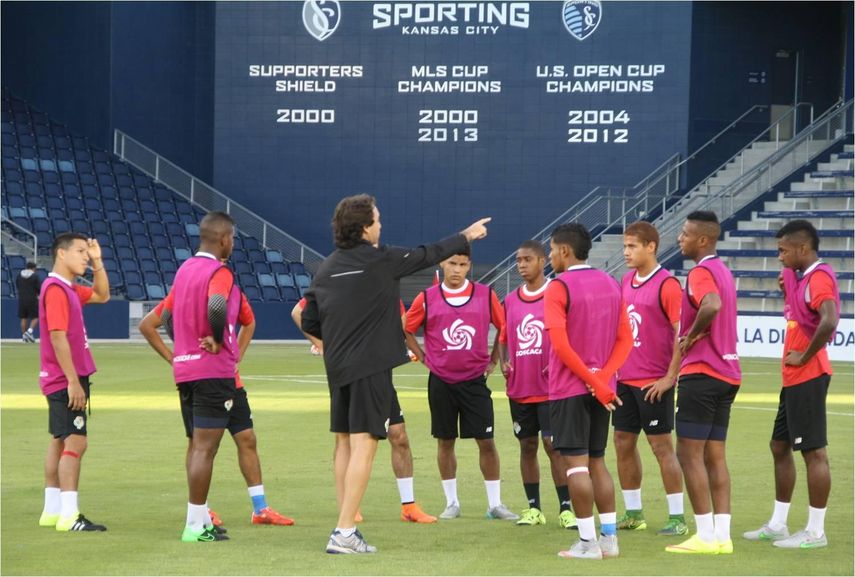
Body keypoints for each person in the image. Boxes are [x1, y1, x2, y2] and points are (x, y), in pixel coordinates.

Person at [301, 194, 490, 554]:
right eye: (377, 219)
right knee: (365, 443)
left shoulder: (327, 267)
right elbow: (428, 253)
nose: (381, 224)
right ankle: (344, 532)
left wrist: (342, 337)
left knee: (343, 441)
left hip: (338, 367)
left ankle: (345, 521)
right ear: (364, 227)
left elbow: (310, 319)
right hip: (370, 366)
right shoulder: (379, 260)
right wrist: (466, 235)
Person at [140, 279, 295, 531]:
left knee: (247, 438)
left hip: (229, 381)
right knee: (199, 444)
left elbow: (250, 322)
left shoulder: (231, 290)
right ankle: (202, 510)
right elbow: (148, 325)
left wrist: (237, 357)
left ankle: (260, 508)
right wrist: (175, 359)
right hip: (201, 379)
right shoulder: (188, 291)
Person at [291, 298, 437, 524]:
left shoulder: (385, 287)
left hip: (380, 377)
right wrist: (322, 344)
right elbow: (298, 312)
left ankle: (408, 506)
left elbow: (399, 326)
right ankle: (350, 507)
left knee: (399, 436)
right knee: (349, 439)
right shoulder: (340, 281)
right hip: (349, 375)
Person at [743, 220, 840, 549]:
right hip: (793, 378)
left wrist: (806, 355)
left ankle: (816, 532)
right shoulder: (797, 277)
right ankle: (778, 524)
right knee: (779, 446)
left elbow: (829, 319)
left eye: (784, 250)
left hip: (809, 376)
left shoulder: (819, 277)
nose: (779, 256)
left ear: (803, 249)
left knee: (814, 453)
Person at [405, 246, 518, 523]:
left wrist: (494, 360)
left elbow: (504, 327)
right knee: (445, 441)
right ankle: (452, 502)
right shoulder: (427, 298)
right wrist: (422, 357)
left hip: (474, 382)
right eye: (452, 263)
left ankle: (495, 504)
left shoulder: (485, 294)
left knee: (487, 441)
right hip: (441, 381)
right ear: (443, 264)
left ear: (469, 266)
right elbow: (406, 328)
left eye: (463, 264)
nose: (457, 269)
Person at [544, 223, 632, 560]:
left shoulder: (559, 286)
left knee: (576, 467)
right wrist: (602, 379)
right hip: (603, 392)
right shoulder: (611, 282)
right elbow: (626, 340)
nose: (550, 256)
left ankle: (587, 542)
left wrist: (590, 380)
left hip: (569, 389)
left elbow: (561, 346)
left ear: (565, 251)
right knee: (598, 461)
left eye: (552, 250)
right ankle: (609, 540)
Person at [665, 211, 741, 555]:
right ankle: (722, 536)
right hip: (728, 373)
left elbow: (711, 305)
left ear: (703, 240)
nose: (680, 238)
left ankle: (704, 534)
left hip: (703, 372)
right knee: (715, 455)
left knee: (688, 453)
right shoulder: (723, 271)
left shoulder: (699, 272)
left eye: (685, 233)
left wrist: (691, 336)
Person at [168, 211, 242, 543]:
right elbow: (216, 304)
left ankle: (200, 520)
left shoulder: (183, 270)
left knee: (198, 447)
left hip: (185, 368)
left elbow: (168, 315)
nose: (233, 244)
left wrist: (183, 344)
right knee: (205, 450)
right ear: (224, 239)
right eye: (233, 239)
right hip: (212, 371)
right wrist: (216, 337)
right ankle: (195, 525)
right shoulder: (219, 270)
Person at [496, 240, 577, 529]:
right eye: (518, 260)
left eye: (527, 259)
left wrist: (558, 360)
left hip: (551, 388)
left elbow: (570, 333)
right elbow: (504, 336)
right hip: (520, 386)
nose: (521, 265)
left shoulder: (557, 292)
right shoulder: (511, 300)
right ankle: (534, 509)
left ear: (542, 260)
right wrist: (504, 361)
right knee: (527, 445)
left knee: (553, 445)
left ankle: (566, 508)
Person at [613, 222, 687, 536]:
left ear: (651, 246)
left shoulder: (668, 284)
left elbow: (680, 334)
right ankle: (634, 513)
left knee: (661, 447)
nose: (626, 252)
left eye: (632, 246)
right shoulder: (626, 281)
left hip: (653, 382)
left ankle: (677, 518)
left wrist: (670, 376)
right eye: (625, 246)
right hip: (624, 380)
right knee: (622, 443)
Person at [37, 233, 110, 532]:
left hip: (60, 377)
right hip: (64, 378)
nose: (85, 256)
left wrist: (98, 262)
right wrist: (72, 381)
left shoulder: (67, 288)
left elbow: (102, 295)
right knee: (77, 442)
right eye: (80, 251)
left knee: (60, 440)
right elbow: (56, 336)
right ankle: (69, 515)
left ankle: (51, 510)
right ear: (61, 254)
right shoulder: (55, 289)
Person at [17, 261, 42, 342]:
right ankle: (29, 331)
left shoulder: (19, 275)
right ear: (34, 268)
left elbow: (17, 285)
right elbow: (39, 288)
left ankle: (24, 336)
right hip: (32, 299)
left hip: (22, 299)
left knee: (23, 318)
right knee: (36, 317)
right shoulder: (35, 276)